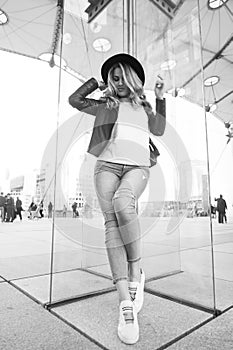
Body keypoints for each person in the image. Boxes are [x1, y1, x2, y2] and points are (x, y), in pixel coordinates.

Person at [69, 53, 166, 344]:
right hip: (106, 167)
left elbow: (159, 129)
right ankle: (125, 303)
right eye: (113, 76)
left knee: (124, 204)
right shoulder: (106, 104)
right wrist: (96, 84)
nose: (118, 81)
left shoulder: (144, 107)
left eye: (122, 76)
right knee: (111, 223)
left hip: (137, 167)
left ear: (133, 79)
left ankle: (136, 270)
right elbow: (75, 100)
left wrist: (160, 97)